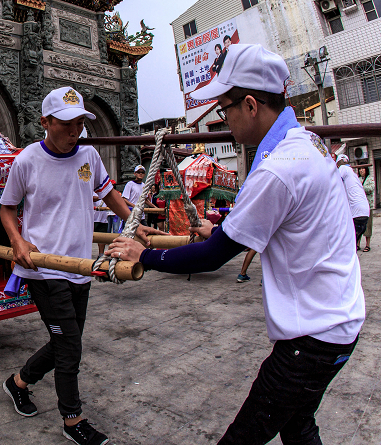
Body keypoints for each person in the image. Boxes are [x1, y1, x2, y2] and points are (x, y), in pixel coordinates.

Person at [108, 44, 364, 445]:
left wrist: (147, 255)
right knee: (299, 428)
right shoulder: (305, 143)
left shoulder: (280, 168)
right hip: (338, 321)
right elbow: (275, 216)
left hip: (312, 337)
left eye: (223, 107)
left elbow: (213, 258)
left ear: (249, 104)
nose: (221, 118)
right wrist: (226, 225)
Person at [0, 86, 143, 445]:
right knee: (69, 347)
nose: (74, 131)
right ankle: (72, 419)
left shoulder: (89, 157)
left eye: (80, 123)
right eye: (66, 124)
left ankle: (18, 382)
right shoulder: (27, 160)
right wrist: (17, 240)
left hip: (81, 266)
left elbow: (110, 195)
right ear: (45, 122)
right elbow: (7, 207)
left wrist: (136, 227)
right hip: (43, 267)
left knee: (67, 339)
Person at [337, 155, 370, 251]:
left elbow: (335, 182)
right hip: (364, 212)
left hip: (356, 213)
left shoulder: (343, 169)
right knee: (352, 244)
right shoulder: (353, 174)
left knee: (348, 245)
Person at [357, 166, 374, 252]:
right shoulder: (357, 179)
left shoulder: (370, 179)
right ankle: (357, 244)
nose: (361, 170)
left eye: (363, 168)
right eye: (360, 169)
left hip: (368, 206)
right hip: (359, 206)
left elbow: (371, 189)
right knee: (358, 225)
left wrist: (361, 188)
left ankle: (367, 245)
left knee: (368, 225)